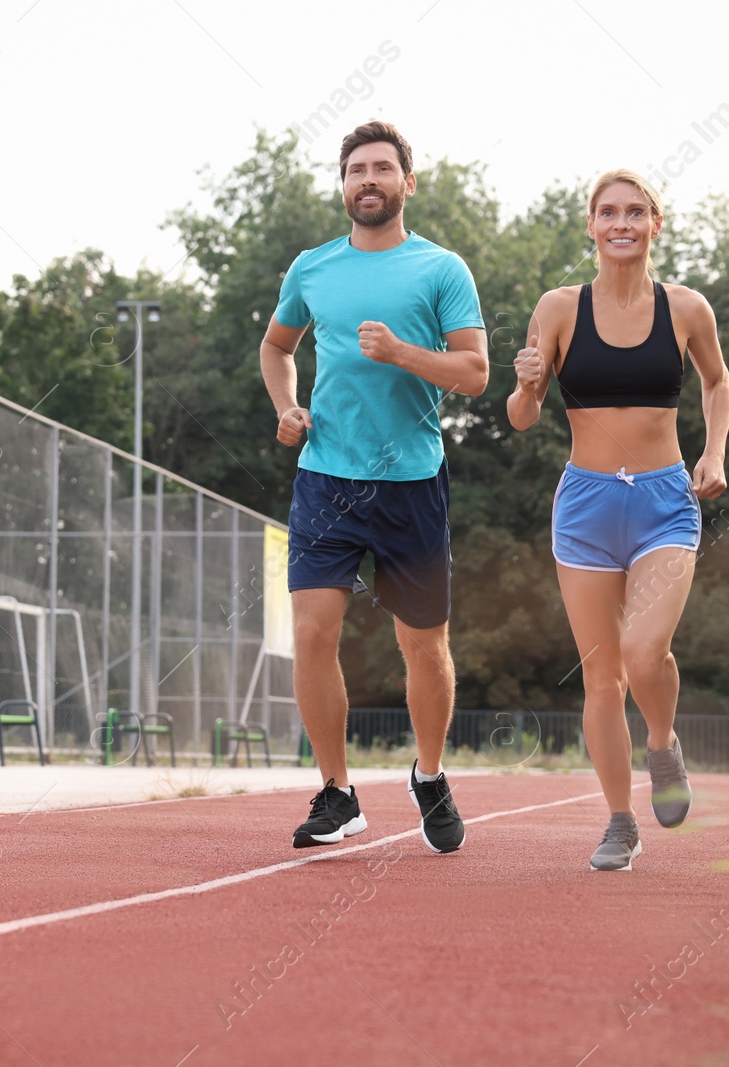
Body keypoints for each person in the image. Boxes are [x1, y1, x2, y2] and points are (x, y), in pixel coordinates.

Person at [259, 120, 488, 854]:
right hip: (326, 476)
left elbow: (476, 373)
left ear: (406, 183)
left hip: (411, 481)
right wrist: (287, 406)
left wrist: (401, 352)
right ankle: (337, 791)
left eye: (382, 168)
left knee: (424, 647)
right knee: (312, 632)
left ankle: (429, 773)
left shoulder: (442, 269)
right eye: (356, 168)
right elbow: (275, 346)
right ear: (343, 183)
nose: (368, 178)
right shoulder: (312, 268)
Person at [507, 169, 729, 871]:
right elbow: (521, 418)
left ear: (655, 224)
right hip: (586, 505)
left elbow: (717, 381)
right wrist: (525, 385)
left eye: (635, 211)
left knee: (645, 653)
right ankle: (619, 820)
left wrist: (714, 450)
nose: (621, 223)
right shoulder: (558, 308)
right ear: (591, 225)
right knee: (603, 679)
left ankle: (662, 745)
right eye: (608, 212)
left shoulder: (687, 307)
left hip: (666, 500)